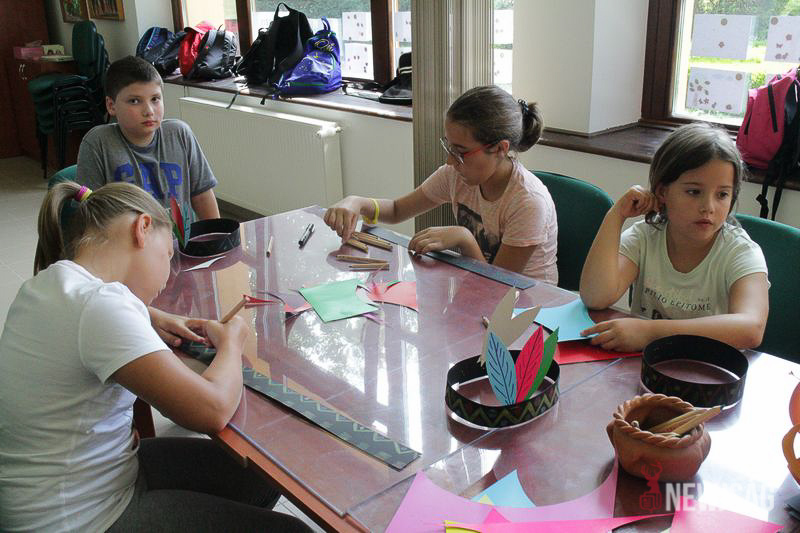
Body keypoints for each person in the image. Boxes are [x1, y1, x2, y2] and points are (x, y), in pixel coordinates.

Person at [0, 182, 310, 532]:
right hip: (78, 519)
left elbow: (90, 319)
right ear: (143, 228)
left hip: (69, 486)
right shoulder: (100, 308)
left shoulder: (48, 283)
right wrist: (232, 342)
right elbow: (211, 410)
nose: (169, 274)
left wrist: (149, 315)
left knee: (263, 472)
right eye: (168, 255)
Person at [324, 85, 559, 283]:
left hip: (531, 309)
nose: (449, 161)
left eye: (461, 151)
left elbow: (499, 286)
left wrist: (464, 238)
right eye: (449, 146)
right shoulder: (456, 175)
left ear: (500, 149)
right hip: (480, 290)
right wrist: (356, 202)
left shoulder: (528, 202)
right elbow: (397, 210)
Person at [579, 122, 769, 352]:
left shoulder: (741, 252)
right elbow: (596, 296)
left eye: (722, 195)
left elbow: (751, 328)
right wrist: (616, 215)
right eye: (694, 192)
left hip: (707, 366)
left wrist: (651, 333)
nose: (708, 207)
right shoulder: (646, 236)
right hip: (647, 362)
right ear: (663, 192)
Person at [77, 55, 220, 225]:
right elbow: (90, 214)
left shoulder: (180, 134)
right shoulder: (98, 143)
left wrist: (219, 237)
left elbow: (202, 196)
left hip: (181, 239)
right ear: (111, 106)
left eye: (155, 99)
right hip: (125, 240)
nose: (149, 111)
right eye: (135, 101)